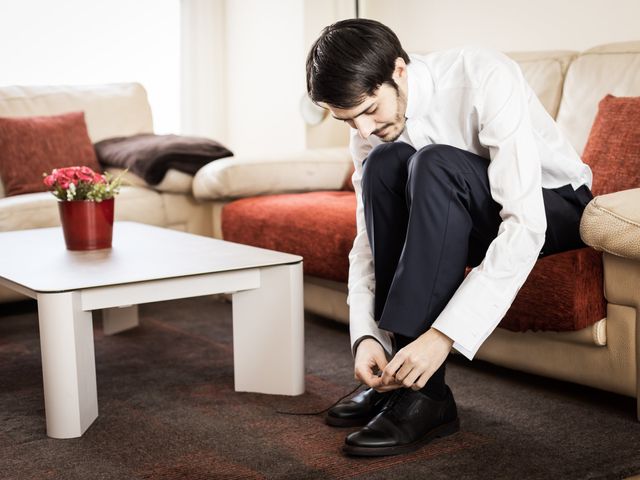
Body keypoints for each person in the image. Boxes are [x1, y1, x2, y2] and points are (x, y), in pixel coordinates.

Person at [305, 18, 594, 457]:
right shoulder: (369, 132)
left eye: (368, 110)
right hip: (464, 215)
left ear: (398, 70)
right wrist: (367, 336)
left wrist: (442, 336)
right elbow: (367, 237)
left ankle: (425, 396)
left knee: (433, 163)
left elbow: (524, 222)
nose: (362, 129)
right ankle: (400, 381)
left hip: (553, 206)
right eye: (348, 121)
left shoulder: (482, 76)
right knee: (385, 163)